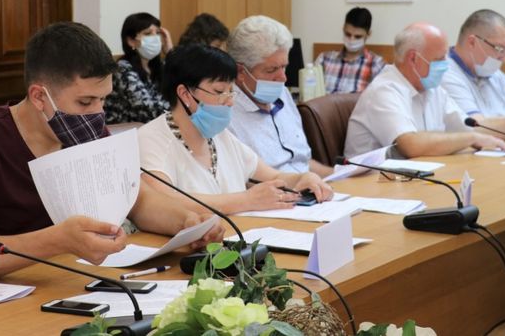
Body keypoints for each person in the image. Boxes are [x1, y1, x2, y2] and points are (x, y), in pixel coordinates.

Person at [0, 22, 223, 289]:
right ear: (39, 96)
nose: (98, 114)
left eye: (103, 100)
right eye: (85, 102)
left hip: (53, 286)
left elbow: (139, 201)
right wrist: (58, 240)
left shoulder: (84, 132)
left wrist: (186, 222)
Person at [138, 43, 333, 215]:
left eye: (231, 92)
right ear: (185, 94)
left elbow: (273, 176)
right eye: (219, 91)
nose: (230, 101)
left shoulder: (219, 135)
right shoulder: (150, 139)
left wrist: (303, 178)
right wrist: (246, 200)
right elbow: (165, 202)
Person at [344, 22, 505, 159]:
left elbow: (470, 128)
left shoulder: (432, 89)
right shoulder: (384, 90)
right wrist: (471, 138)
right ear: (413, 58)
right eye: (440, 59)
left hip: (409, 179)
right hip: (368, 183)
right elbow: (411, 145)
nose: (446, 64)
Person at [226, 15, 334, 177]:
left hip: (310, 186)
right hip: (274, 190)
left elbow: (303, 163)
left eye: (284, 67)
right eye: (272, 70)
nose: (283, 78)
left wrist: (341, 175)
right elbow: (243, 181)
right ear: (240, 71)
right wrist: (301, 182)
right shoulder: (225, 113)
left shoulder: (281, 92)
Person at [103, 12, 173, 124]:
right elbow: (149, 111)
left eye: (158, 33)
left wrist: (170, 54)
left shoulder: (158, 66)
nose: (155, 38)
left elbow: (179, 93)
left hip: (151, 127)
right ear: (131, 41)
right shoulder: (123, 69)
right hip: (124, 130)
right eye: (148, 33)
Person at [316, 7, 386, 94]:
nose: (351, 40)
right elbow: (310, 93)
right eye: (348, 34)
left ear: (368, 34)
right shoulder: (324, 59)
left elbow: (382, 96)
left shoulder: (376, 64)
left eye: (358, 36)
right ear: (343, 29)